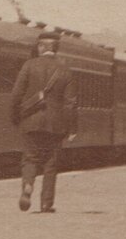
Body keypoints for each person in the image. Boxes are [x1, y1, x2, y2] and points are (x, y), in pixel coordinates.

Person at [8, 31, 78, 213]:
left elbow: (16, 95)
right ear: (56, 48)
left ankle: (28, 186)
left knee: (30, 159)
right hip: (55, 125)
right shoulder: (65, 69)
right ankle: (46, 203)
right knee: (50, 163)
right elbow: (70, 103)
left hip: (31, 121)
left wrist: (15, 116)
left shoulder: (29, 65)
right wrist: (72, 128)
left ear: (40, 47)